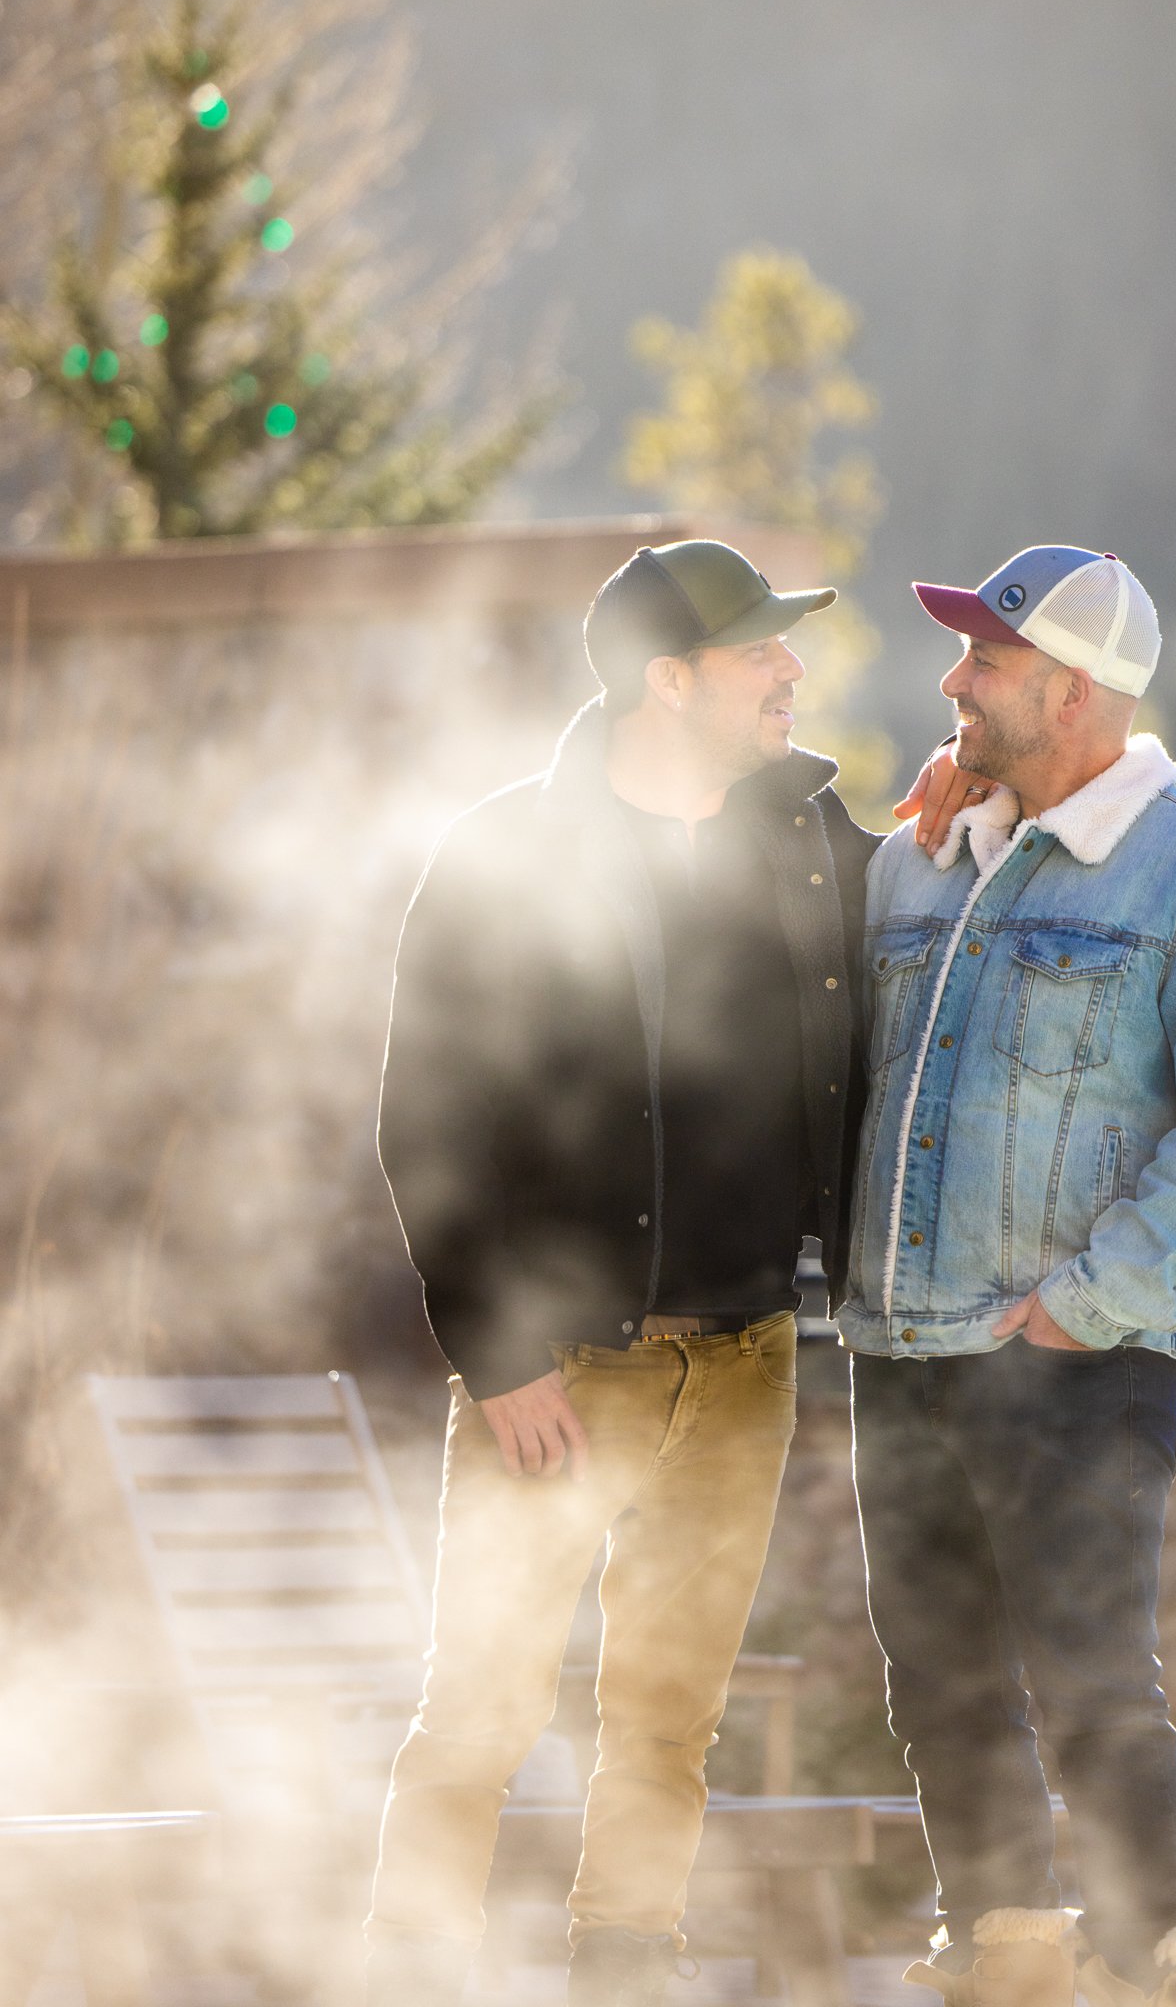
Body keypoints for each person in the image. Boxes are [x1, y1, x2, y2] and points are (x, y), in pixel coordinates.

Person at [365, 539, 882, 2007]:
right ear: (670, 680)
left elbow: (931, 895)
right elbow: (425, 1124)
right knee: (480, 1713)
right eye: (757, 650)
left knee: (667, 1726)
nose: (790, 670)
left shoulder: (809, 842)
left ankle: (626, 1978)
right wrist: (496, 1354)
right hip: (560, 1364)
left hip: (746, 1361)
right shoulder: (506, 855)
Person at [836, 546, 1176, 2007]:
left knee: (1093, 1677)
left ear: (1074, 691)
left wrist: (1084, 1303)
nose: (953, 680)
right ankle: (1002, 1953)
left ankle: (1148, 1962)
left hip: (1079, 1354)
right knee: (938, 1676)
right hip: (900, 1344)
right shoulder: (915, 857)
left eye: (985, 660)